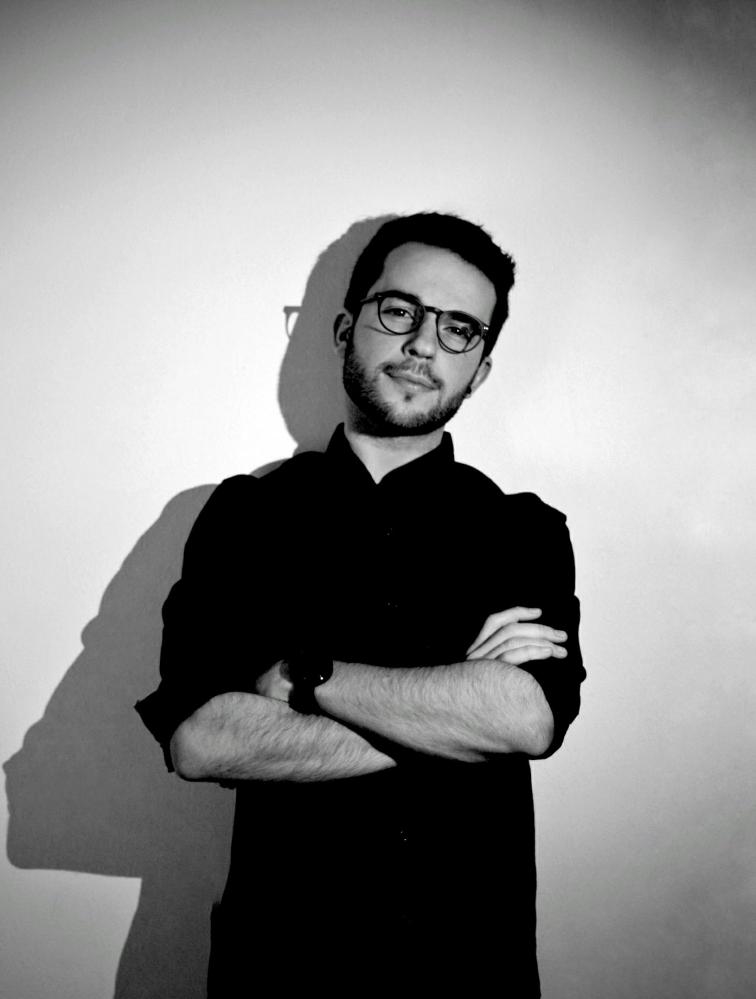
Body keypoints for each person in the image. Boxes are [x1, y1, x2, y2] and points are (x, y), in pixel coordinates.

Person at [136, 212, 585, 998]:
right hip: (279, 972)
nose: (423, 345)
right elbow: (202, 739)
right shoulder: (242, 516)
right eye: (400, 310)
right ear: (348, 328)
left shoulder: (525, 531)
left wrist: (303, 675)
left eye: (458, 328)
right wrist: (453, 709)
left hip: (471, 973)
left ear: (480, 370)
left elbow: (524, 719)